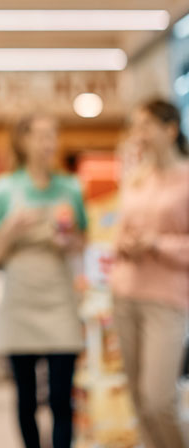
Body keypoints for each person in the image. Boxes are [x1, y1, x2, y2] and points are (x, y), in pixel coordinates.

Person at [0, 114, 87, 448]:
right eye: (41, 136)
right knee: (25, 396)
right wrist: (12, 228)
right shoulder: (3, 189)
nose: (48, 144)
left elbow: (83, 242)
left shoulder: (70, 187)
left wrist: (68, 241)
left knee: (60, 397)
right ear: (22, 141)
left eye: (53, 135)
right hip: (20, 299)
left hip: (59, 296)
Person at [112, 99, 189, 448]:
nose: (138, 134)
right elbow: (120, 231)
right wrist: (126, 243)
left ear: (170, 130)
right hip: (126, 293)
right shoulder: (136, 178)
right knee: (140, 403)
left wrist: (156, 244)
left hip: (167, 299)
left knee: (159, 401)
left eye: (145, 125)